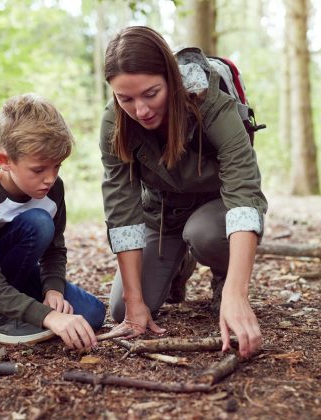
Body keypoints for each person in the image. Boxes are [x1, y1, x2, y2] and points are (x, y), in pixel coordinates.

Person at [100, 26, 268, 358]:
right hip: (163, 215)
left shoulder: (213, 107)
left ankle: (223, 276)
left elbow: (244, 198)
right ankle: (179, 264)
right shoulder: (114, 124)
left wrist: (238, 294)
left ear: (171, 79)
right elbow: (122, 212)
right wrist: (135, 303)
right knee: (122, 310)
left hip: (215, 209)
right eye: (126, 98)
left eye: (151, 93)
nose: (141, 110)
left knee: (204, 234)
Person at [0, 94, 105, 350]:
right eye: (38, 169)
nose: (50, 178)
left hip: (15, 272)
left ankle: (15, 308)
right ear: (5, 161)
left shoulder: (54, 189)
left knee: (92, 314)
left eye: (57, 166)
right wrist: (48, 316)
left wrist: (53, 290)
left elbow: (54, 251)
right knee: (38, 223)